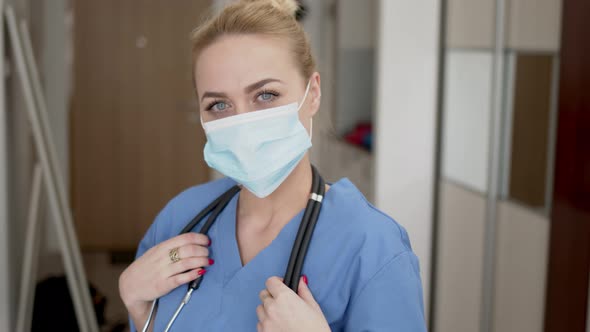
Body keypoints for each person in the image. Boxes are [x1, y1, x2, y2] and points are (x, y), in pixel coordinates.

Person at [118, 0, 427, 331]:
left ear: (313, 94)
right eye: (218, 104)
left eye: (265, 95)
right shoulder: (180, 219)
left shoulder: (372, 248)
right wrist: (136, 305)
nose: (243, 122)